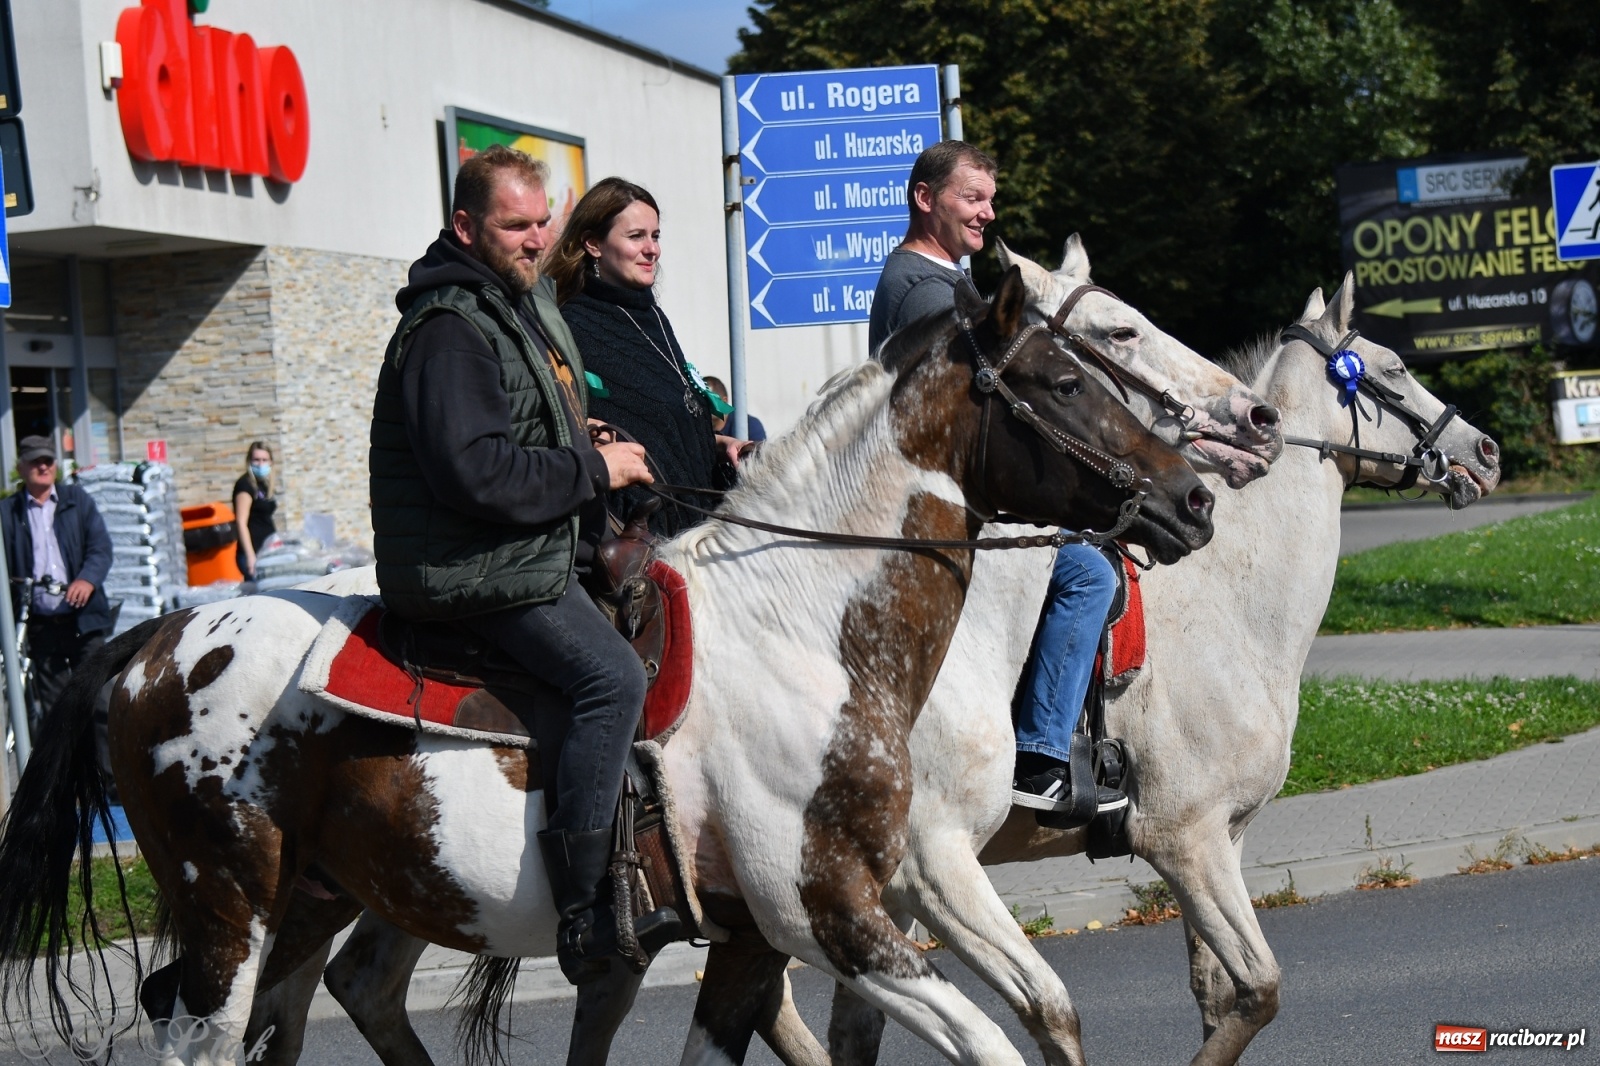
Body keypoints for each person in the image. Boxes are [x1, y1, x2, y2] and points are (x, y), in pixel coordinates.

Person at [368, 144, 677, 984]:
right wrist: (592, 469)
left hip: (526, 546)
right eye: (516, 225)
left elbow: (527, 433)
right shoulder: (448, 329)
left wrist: (589, 440)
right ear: (466, 226)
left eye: (544, 221)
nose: (536, 238)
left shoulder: (512, 302)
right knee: (611, 676)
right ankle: (587, 910)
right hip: (472, 565)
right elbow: (475, 472)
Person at [868, 141, 1126, 825]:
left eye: (989, 199)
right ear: (926, 198)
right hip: (949, 503)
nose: (986, 213)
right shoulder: (926, 290)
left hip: (955, 492)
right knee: (1088, 577)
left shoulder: (943, 281)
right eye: (971, 197)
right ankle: (1041, 757)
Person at [544, 177, 745, 538]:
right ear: (593, 244)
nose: (652, 249)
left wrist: (719, 446)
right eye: (636, 236)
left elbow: (667, 422)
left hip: (703, 525)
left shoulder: (653, 317)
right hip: (644, 539)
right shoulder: (573, 326)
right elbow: (569, 428)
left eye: (655, 236)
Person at [1, 436, 114, 739]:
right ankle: (69, 783)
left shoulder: (77, 500)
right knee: (56, 712)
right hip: (41, 627)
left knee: (99, 703)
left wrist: (87, 579)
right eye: (35, 461)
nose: (43, 466)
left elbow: (100, 548)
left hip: (84, 621)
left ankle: (110, 782)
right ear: (21, 467)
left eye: (48, 460)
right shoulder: (8, 512)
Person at [232, 441, 278, 581]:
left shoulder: (263, 485)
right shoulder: (245, 485)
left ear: (270, 462)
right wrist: (250, 556)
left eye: (264, 460)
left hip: (266, 551)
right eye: (256, 460)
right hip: (254, 552)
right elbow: (241, 522)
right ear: (249, 461)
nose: (260, 464)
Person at [701, 375, 766, 442]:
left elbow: (760, 451)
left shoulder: (750, 426)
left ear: (724, 401)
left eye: (709, 401)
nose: (702, 405)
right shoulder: (696, 429)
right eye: (699, 401)